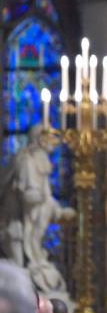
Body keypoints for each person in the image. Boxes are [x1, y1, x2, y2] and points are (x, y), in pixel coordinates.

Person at [0, 124, 75, 299]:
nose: (54, 143)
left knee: (43, 274)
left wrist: (58, 212)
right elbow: (28, 196)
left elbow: (46, 197)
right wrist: (43, 201)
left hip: (32, 227)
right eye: (50, 138)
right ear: (40, 139)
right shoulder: (26, 160)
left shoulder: (40, 160)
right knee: (18, 275)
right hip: (16, 225)